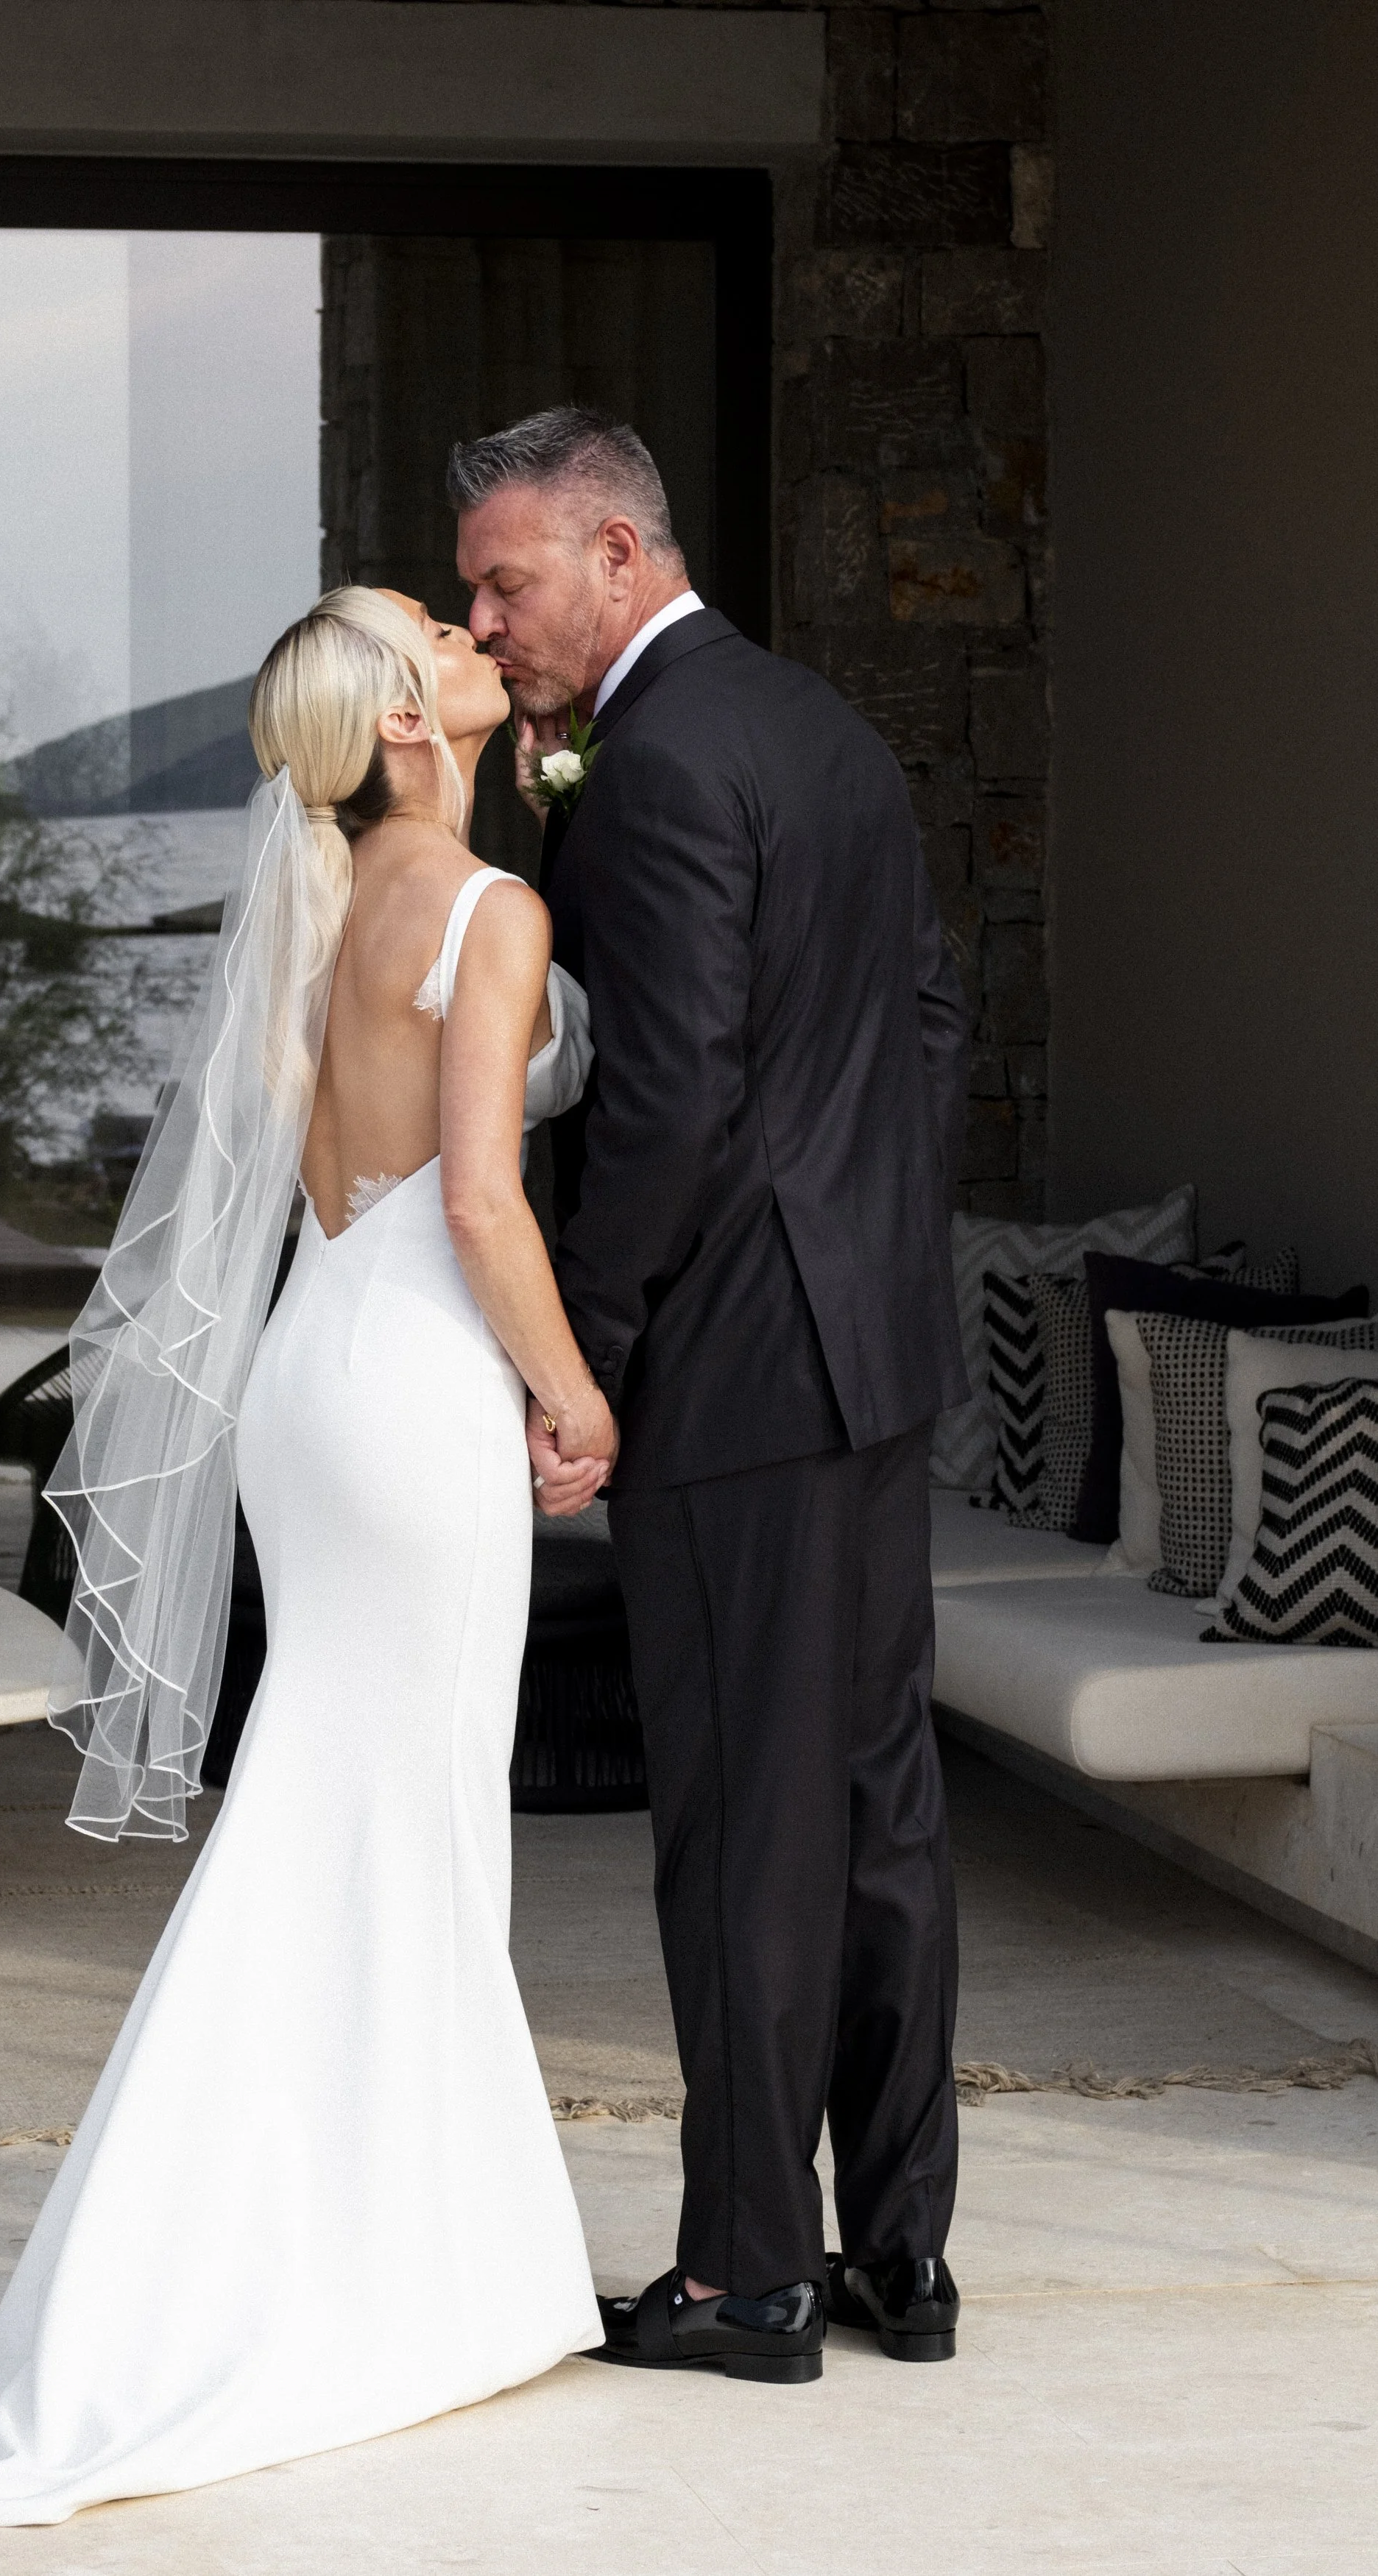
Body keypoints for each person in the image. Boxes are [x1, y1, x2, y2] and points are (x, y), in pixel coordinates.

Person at [0, 587, 616, 2526]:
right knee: (395, 1815)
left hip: (313, 1377)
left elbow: (326, 1174)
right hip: (411, 1386)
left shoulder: (317, 911)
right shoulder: (490, 916)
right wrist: (573, 1401)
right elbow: (483, 1201)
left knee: (348, 1803)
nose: (471, 638)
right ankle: (361, 2257)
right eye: (438, 631)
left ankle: (402, 2240)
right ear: (409, 719)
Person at [452, 406, 972, 2377]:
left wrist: (574, 1349)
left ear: (612, 547)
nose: (484, 620)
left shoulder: (656, 761)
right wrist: (861, 1225)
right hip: (867, 1348)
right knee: (872, 1806)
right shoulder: (812, 723)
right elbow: (919, 1011)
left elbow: (659, 1108)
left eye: (504, 579)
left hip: (741, 1371)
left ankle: (749, 2266)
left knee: (745, 1823)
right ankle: (897, 2254)